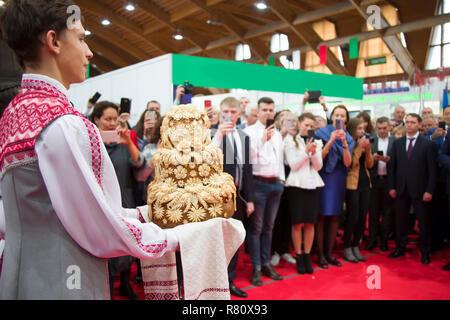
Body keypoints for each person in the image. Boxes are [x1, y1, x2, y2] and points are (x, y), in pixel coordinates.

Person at [0, 0, 179, 299]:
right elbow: (99, 227)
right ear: (54, 41)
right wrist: (178, 237)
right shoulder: (61, 122)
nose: (89, 52)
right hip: (66, 278)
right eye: (81, 39)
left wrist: (145, 214)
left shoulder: (13, 113)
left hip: (19, 274)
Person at [89, 101, 144, 299]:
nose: (112, 123)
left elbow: (140, 167)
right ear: (96, 120)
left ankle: (125, 284)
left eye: (115, 119)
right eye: (108, 119)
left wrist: (129, 143)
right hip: (100, 205)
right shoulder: (91, 144)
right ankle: (108, 289)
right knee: (107, 250)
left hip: (124, 201)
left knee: (126, 246)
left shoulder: (123, 143)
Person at [211, 97, 255, 298]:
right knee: (215, 241)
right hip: (216, 197)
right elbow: (207, 159)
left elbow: (247, 170)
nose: (229, 114)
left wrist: (250, 199)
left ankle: (229, 281)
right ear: (220, 113)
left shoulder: (244, 137)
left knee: (234, 240)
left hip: (238, 196)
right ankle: (213, 284)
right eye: (225, 111)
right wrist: (219, 135)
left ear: (239, 114)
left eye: (232, 111)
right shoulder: (211, 133)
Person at [244, 97, 285, 286]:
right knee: (256, 228)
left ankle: (267, 264)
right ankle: (256, 268)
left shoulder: (277, 133)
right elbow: (248, 161)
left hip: (275, 183)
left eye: (271, 110)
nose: (268, 113)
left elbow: (279, 159)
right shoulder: (249, 132)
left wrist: (281, 180)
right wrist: (261, 141)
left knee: (270, 227)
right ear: (258, 111)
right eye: (265, 110)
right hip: (258, 183)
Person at [387, 114, 437, 264]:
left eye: (412, 122)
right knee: (400, 221)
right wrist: (391, 187)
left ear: (419, 125)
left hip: (421, 190)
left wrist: (429, 190)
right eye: (407, 122)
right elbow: (392, 167)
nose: (409, 125)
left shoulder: (428, 144)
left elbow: (432, 170)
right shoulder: (397, 143)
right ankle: (400, 248)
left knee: (423, 222)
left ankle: (425, 251)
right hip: (401, 188)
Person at [284, 113, 324, 274]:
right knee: (297, 223)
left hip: (313, 184)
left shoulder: (317, 142)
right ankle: (299, 256)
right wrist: (305, 152)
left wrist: (313, 153)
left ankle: (307, 255)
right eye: (306, 125)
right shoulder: (290, 140)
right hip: (296, 185)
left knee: (310, 222)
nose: (308, 128)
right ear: (299, 124)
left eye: (311, 126)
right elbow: (293, 165)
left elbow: (319, 166)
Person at [315, 105, 354, 269]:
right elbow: (318, 157)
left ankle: (330, 253)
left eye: (342, 115)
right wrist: (331, 140)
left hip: (338, 178)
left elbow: (347, 163)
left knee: (334, 217)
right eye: (336, 115)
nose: (339, 118)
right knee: (322, 216)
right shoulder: (321, 133)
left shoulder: (349, 138)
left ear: (346, 119)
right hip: (323, 176)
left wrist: (344, 142)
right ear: (331, 117)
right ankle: (320, 254)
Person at [343, 118, 373, 263]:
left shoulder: (365, 143)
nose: (362, 131)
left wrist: (367, 150)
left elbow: (370, 164)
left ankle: (356, 245)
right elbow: (351, 164)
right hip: (352, 184)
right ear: (353, 129)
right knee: (353, 217)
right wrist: (360, 149)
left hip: (365, 183)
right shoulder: (349, 144)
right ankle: (347, 247)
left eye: (363, 128)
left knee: (362, 217)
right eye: (359, 128)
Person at [271, 113, 298, 268]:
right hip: (276, 179)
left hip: (292, 180)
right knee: (276, 218)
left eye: (291, 120)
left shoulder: (295, 137)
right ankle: (274, 251)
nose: (288, 123)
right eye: (284, 120)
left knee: (288, 216)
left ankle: (285, 250)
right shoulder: (274, 135)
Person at [367, 117, 396, 251]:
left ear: (389, 127)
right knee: (373, 214)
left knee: (387, 214)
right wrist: (371, 158)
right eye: (379, 128)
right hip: (374, 181)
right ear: (376, 128)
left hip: (388, 181)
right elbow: (365, 161)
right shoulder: (371, 140)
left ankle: (384, 242)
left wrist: (390, 160)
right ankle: (372, 240)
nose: (382, 131)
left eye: (385, 128)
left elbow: (399, 163)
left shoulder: (395, 141)